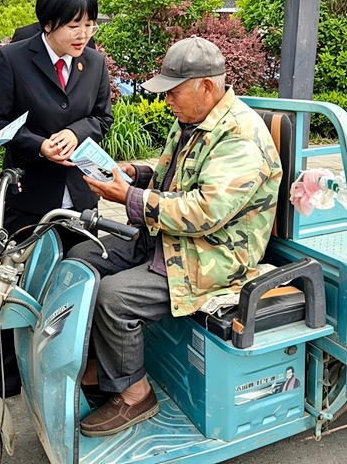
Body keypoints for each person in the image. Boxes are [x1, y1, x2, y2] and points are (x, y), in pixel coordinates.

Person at [66, 37, 283, 437]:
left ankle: (136, 394)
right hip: (172, 236)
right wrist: (135, 175)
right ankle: (103, 367)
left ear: (207, 86)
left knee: (115, 297)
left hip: (215, 254)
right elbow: (175, 180)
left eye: (173, 91)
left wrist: (130, 197)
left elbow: (205, 210)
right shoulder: (194, 120)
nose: (166, 100)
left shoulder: (241, 136)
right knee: (82, 256)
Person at [0, 0, 113, 396]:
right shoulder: (13, 59)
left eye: (89, 24)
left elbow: (102, 117)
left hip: (80, 194)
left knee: (74, 286)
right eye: (74, 25)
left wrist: (76, 131)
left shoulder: (95, 63)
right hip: (30, 193)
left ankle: (64, 371)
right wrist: (39, 145)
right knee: (16, 286)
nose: (84, 34)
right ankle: (2, 377)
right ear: (48, 23)